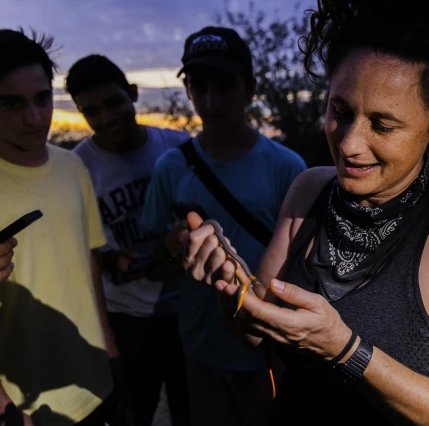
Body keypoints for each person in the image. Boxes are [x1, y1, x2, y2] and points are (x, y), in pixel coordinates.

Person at [184, 1, 429, 424]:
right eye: (340, 112)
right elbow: (254, 335)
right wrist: (231, 285)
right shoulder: (309, 190)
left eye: (383, 125)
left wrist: (347, 352)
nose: (349, 143)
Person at [140, 25, 307, 426]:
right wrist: (173, 244)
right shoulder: (170, 168)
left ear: (250, 87)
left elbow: (304, 271)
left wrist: (284, 353)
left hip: (267, 348)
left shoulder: (288, 168)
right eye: (199, 86)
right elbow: (157, 262)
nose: (211, 101)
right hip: (200, 345)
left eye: (226, 85)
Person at [65, 54, 191, 426]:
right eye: (91, 111)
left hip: (187, 311)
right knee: (133, 414)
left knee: (193, 411)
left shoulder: (177, 148)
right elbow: (76, 249)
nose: (106, 119)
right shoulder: (77, 166)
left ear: (133, 93)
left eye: (114, 102)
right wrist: (109, 262)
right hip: (127, 319)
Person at [0, 29, 115, 425]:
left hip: (93, 381)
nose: (34, 119)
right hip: (23, 404)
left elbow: (89, 262)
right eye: (11, 104)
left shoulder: (73, 166)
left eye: (43, 99)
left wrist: (110, 350)